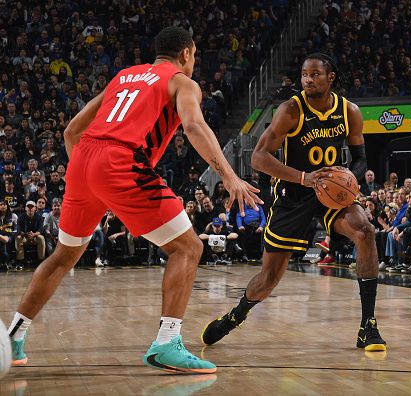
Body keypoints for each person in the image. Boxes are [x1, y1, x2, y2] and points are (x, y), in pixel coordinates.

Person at [6, 27, 260, 373]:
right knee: (187, 248)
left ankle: (14, 337)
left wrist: (91, 179)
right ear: (186, 54)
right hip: (122, 161)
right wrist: (230, 177)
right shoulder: (182, 82)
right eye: (195, 55)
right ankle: (167, 343)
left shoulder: (123, 77)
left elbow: (71, 132)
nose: (194, 61)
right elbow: (195, 126)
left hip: (83, 161)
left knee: (63, 256)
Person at [201, 53, 386, 351]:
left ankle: (369, 325)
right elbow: (259, 158)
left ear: (331, 78)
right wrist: (304, 177)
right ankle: (237, 314)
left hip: (331, 193)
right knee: (270, 277)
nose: (308, 80)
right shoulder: (290, 110)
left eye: (314, 74)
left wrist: (349, 176)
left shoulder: (349, 111)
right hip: (293, 195)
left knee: (364, 230)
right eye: (304, 75)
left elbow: (362, 157)